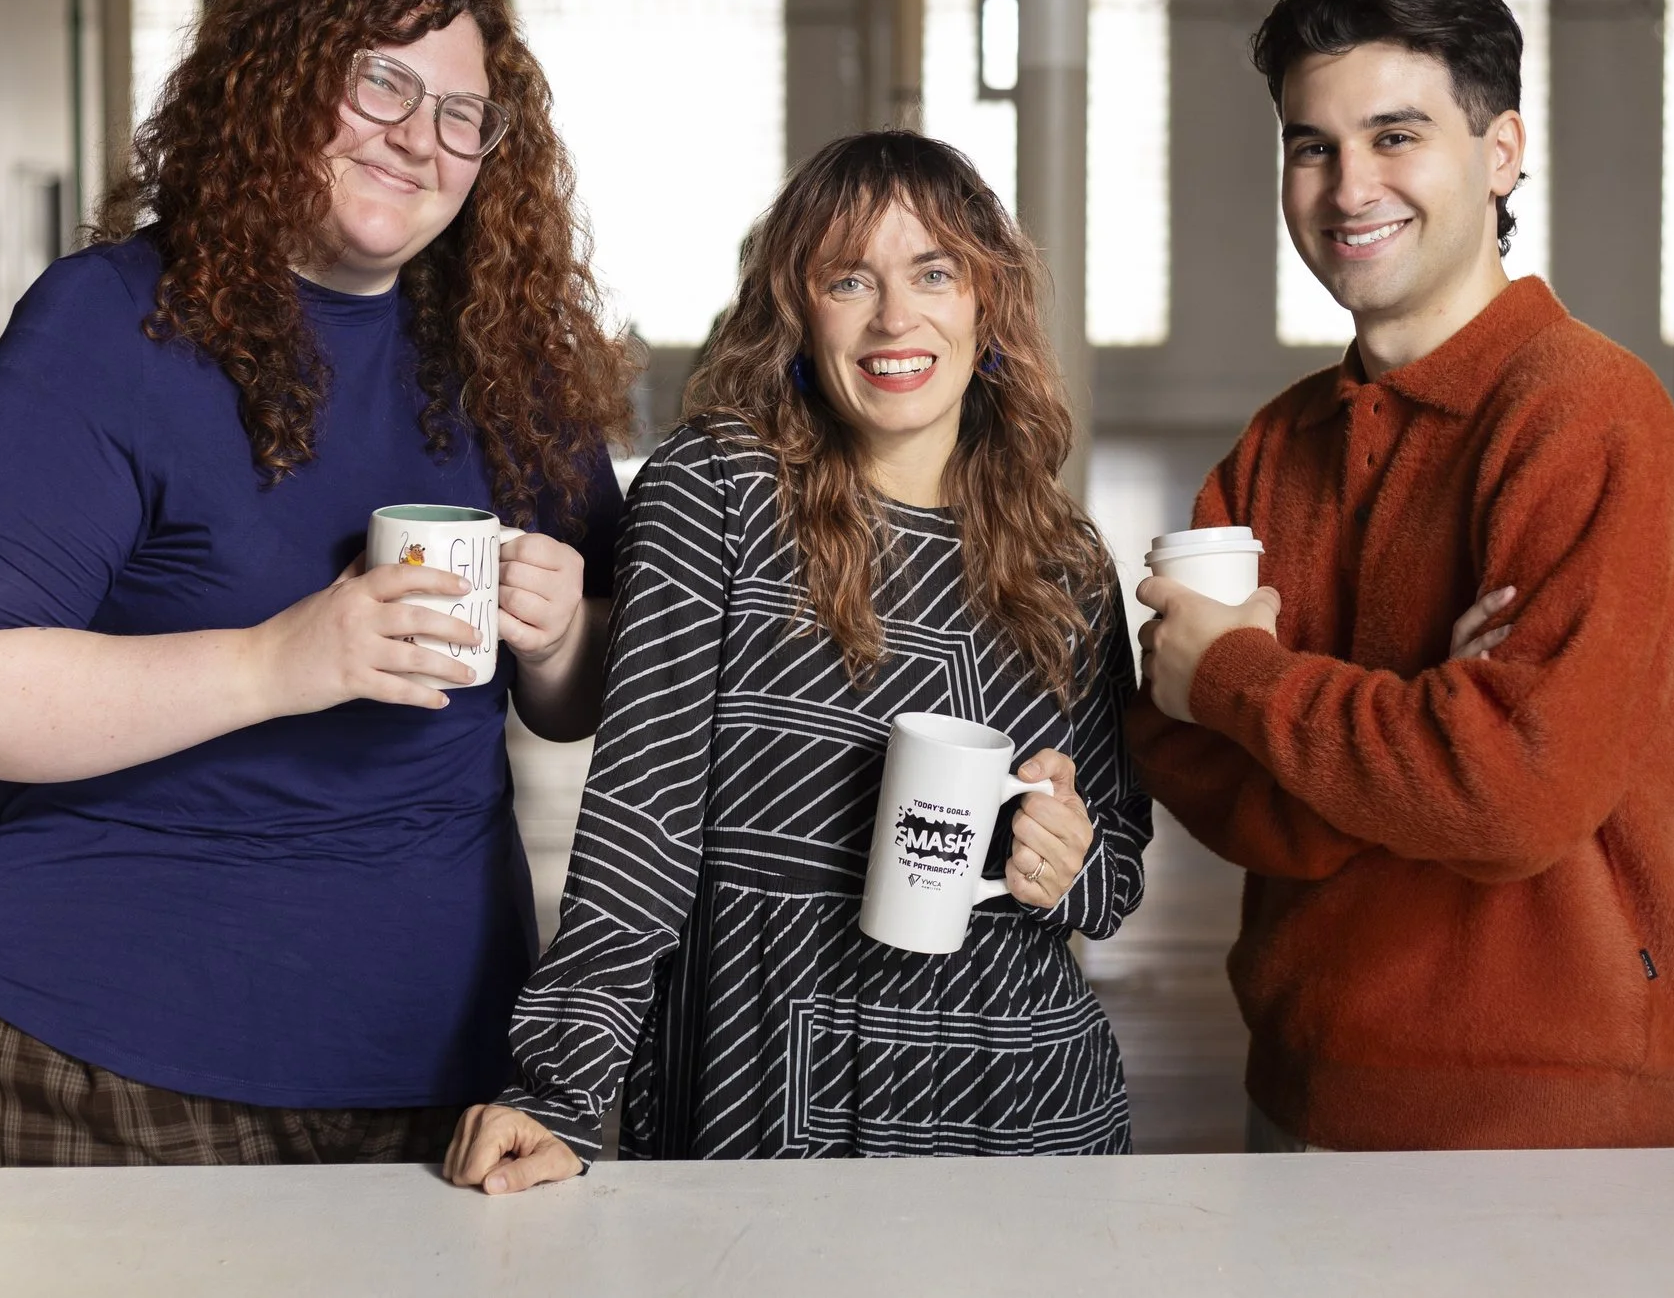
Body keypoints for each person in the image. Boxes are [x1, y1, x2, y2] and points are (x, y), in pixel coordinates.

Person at [0, 0, 633, 1165]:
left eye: (459, 113)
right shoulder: (114, 325)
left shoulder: (512, 358)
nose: (416, 135)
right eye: (379, 79)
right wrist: (278, 662)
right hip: (86, 1033)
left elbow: (580, 699)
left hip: (433, 1044)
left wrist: (558, 637)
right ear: (281, 81)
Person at [443, 131, 1151, 1191]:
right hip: (763, 1095)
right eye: (848, 278)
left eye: (934, 272)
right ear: (796, 310)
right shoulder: (715, 491)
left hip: (1024, 1104)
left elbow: (1116, 867)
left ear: (985, 306)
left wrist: (1069, 858)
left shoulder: (1068, 559)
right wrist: (560, 1089)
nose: (895, 318)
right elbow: (643, 818)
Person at [1128, 0, 1674, 1151]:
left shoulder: (1586, 412)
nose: (1349, 187)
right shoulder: (1277, 446)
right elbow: (1184, 759)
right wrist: (1417, 729)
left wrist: (1248, 682)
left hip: (1543, 1111)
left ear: (1499, 153)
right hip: (1300, 1078)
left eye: (1397, 136)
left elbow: (1512, 799)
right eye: (1311, 146)